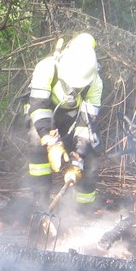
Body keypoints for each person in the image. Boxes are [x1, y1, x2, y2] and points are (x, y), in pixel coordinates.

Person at [25, 32, 103, 211]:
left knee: (90, 159)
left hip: (73, 120)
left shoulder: (95, 83)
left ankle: (83, 211)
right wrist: (50, 140)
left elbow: (87, 123)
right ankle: (40, 203)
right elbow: (39, 106)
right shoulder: (47, 67)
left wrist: (78, 158)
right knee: (37, 146)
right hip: (44, 117)